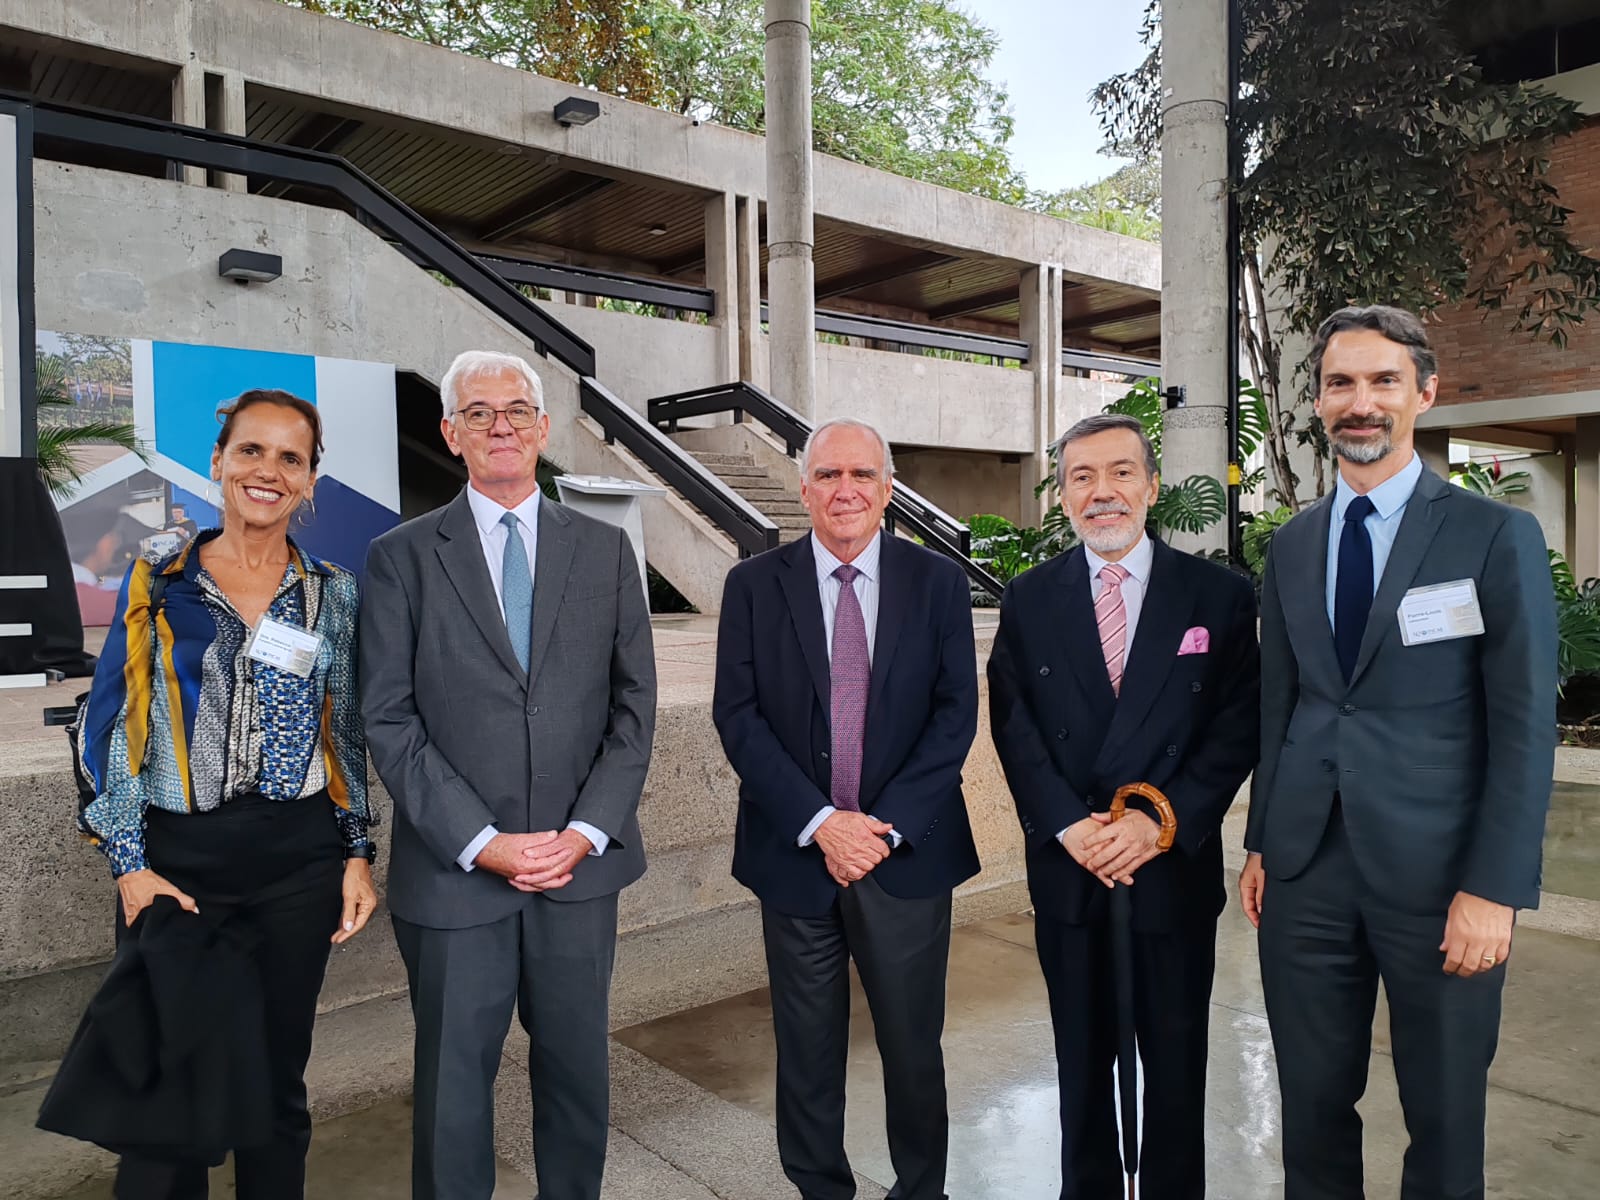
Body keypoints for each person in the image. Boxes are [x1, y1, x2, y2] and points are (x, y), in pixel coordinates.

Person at [1242, 305, 1556, 1199]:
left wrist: (1496, 887)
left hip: (1442, 880)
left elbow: (1525, 723)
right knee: (1309, 1107)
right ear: (1317, 401)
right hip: (1304, 873)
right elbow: (1286, 704)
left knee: (1445, 1115)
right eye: (1341, 382)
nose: (1361, 402)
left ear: (1424, 392)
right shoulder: (1294, 543)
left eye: (1383, 381)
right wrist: (1263, 839)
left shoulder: (1493, 536)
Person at [360, 349, 656, 1200]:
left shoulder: (603, 552)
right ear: (450, 433)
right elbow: (388, 715)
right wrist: (481, 842)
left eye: (517, 409)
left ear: (544, 428)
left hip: (579, 869)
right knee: (453, 1095)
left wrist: (584, 831)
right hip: (457, 880)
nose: (501, 426)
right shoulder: (402, 556)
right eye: (479, 412)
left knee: (577, 1080)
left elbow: (634, 706)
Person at [74, 388, 378, 1200]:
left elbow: (342, 729)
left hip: (297, 865)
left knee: (277, 1084)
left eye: (290, 457)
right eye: (252, 450)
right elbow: (108, 728)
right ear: (218, 462)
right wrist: (129, 865)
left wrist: (357, 853)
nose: (268, 471)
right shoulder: (160, 576)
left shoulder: (333, 593)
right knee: (169, 1094)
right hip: (179, 865)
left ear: (311, 480)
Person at [987, 414, 1259, 1199]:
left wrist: (1157, 822)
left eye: (1119, 473)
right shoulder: (1030, 597)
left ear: (1152, 486)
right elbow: (1014, 724)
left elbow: (1239, 726)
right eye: (1081, 477)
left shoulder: (1217, 594)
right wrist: (1072, 827)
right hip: (1072, 872)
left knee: (1176, 1067)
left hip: (1171, 871)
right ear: (1063, 495)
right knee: (1080, 1065)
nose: (1102, 492)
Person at [712, 417, 979, 1200]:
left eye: (862, 475)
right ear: (804, 489)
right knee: (805, 1047)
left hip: (905, 855)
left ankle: (920, 1187)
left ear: (887, 488)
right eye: (828, 475)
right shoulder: (754, 585)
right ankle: (820, 1188)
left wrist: (880, 827)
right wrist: (821, 823)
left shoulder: (936, 583)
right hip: (795, 855)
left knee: (911, 1044)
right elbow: (739, 717)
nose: (846, 490)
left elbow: (954, 715)